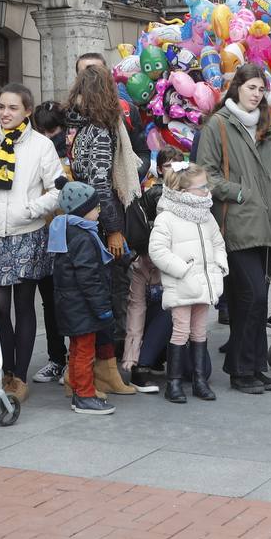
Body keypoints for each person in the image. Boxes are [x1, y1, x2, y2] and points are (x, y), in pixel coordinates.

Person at [0, 83, 63, 403]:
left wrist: (31, 209)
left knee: (24, 305)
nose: (5, 113)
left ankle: (19, 376)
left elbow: (57, 188)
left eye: (13, 108)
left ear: (27, 111)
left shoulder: (41, 147)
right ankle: (5, 370)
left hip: (29, 234)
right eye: (1, 107)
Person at [199, 62, 271, 395]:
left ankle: (254, 365)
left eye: (261, 88)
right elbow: (205, 173)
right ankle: (239, 369)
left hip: (267, 222)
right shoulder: (219, 125)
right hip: (237, 221)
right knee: (249, 294)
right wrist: (237, 192)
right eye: (251, 86)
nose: (256, 93)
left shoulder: (267, 129)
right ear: (237, 87)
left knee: (259, 298)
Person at [65, 65, 142, 396]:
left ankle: (104, 369)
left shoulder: (82, 128)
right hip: (99, 224)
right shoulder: (98, 130)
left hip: (86, 222)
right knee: (108, 296)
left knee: (102, 296)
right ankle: (98, 371)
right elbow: (100, 183)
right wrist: (112, 229)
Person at [147, 161, 227, 403]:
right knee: (181, 330)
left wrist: (219, 265)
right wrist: (182, 270)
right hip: (182, 284)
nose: (207, 191)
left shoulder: (206, 215)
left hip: (204, 283)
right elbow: (157, 250)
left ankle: (200, 381)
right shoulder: (167, 217)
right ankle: (173, 382)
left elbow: (217, 243)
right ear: (183, 192)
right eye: (201, 187)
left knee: (200, 331)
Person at [47, 181, 116, 416]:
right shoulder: (84, 237)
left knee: (77, 350)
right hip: (82, 306)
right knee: (85, 351)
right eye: (95, 207)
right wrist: (103, 309)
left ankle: (79, 390)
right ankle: (85, 395)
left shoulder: (65, 230)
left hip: (70, 304)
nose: (99, 211)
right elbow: (89, 278)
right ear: (82, 210)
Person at [124, 147, 181, 392]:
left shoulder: (161, 192)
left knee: (150, 311)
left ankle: (142, 360)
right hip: (151, 265)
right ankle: (137, 364)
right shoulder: (161, 194)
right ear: (159, 169)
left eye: (179, 166)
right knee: (142, 310)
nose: (174, 171)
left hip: (152, 264)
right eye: (169, 166)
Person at [30, 99, 71, 384]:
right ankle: (57, 358)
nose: (47, 138)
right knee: (48, 301)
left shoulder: (74, 150)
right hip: (41, 234)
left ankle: (78, 360)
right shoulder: (29, 150)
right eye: (41, 131)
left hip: (71, 235)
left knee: (73, 299)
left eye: (52, 131)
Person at [76, 52, 151, 178]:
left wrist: (130, 176)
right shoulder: (69, 113)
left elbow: (142, 153)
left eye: (96, 73)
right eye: (85, 74)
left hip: (121, 191)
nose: (91, 78)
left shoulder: (126, 110)